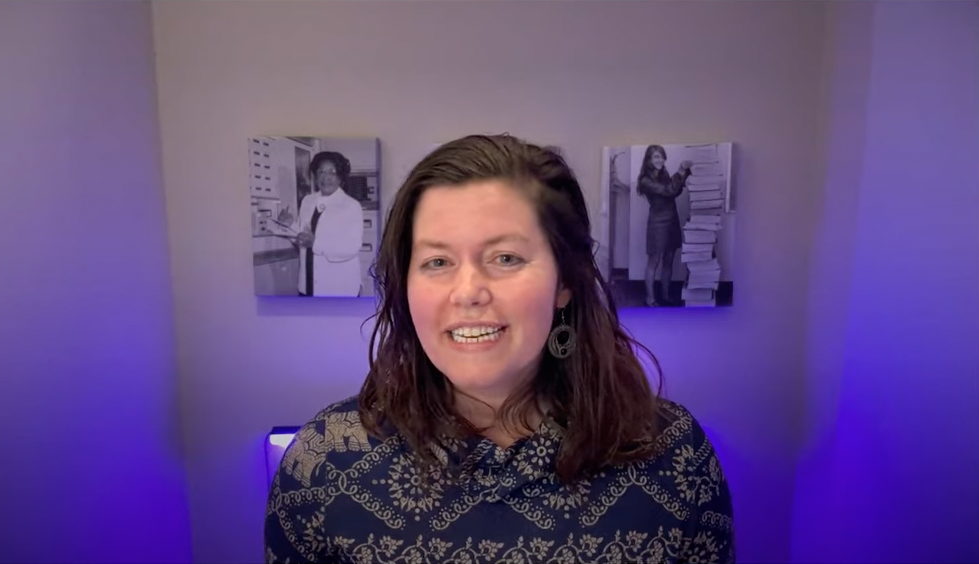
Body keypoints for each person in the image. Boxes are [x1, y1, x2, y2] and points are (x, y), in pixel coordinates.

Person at [265, 135, 734, 563]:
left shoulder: (673, 455)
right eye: (437, 261)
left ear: (564, 281)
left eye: (505, 258)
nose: (467, 291)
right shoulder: (324, 460)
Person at [279, 151, 364, 297]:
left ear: (340, 177)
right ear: (315, 175)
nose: (326, 177)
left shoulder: (351, 206)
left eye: (332, 172)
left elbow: (352, 247)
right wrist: (289, 225)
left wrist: (315, 243)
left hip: (339, 287)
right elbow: (301, 238)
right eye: (321, 171)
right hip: (307, 283)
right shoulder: (307, 201)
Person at [626, 145, 692, 307]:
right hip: (657, 223)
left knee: (669, 260)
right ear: (649, 159)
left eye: (662, 157)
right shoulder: (645, 181)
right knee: (654, 261)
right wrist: (681, 171)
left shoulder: (664, 174)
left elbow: (674, 191)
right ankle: (650, 299)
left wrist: (682, 174)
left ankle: (666, 296)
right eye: (656, 157)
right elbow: (669, 191)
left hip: (672, 220)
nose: (660, 160)